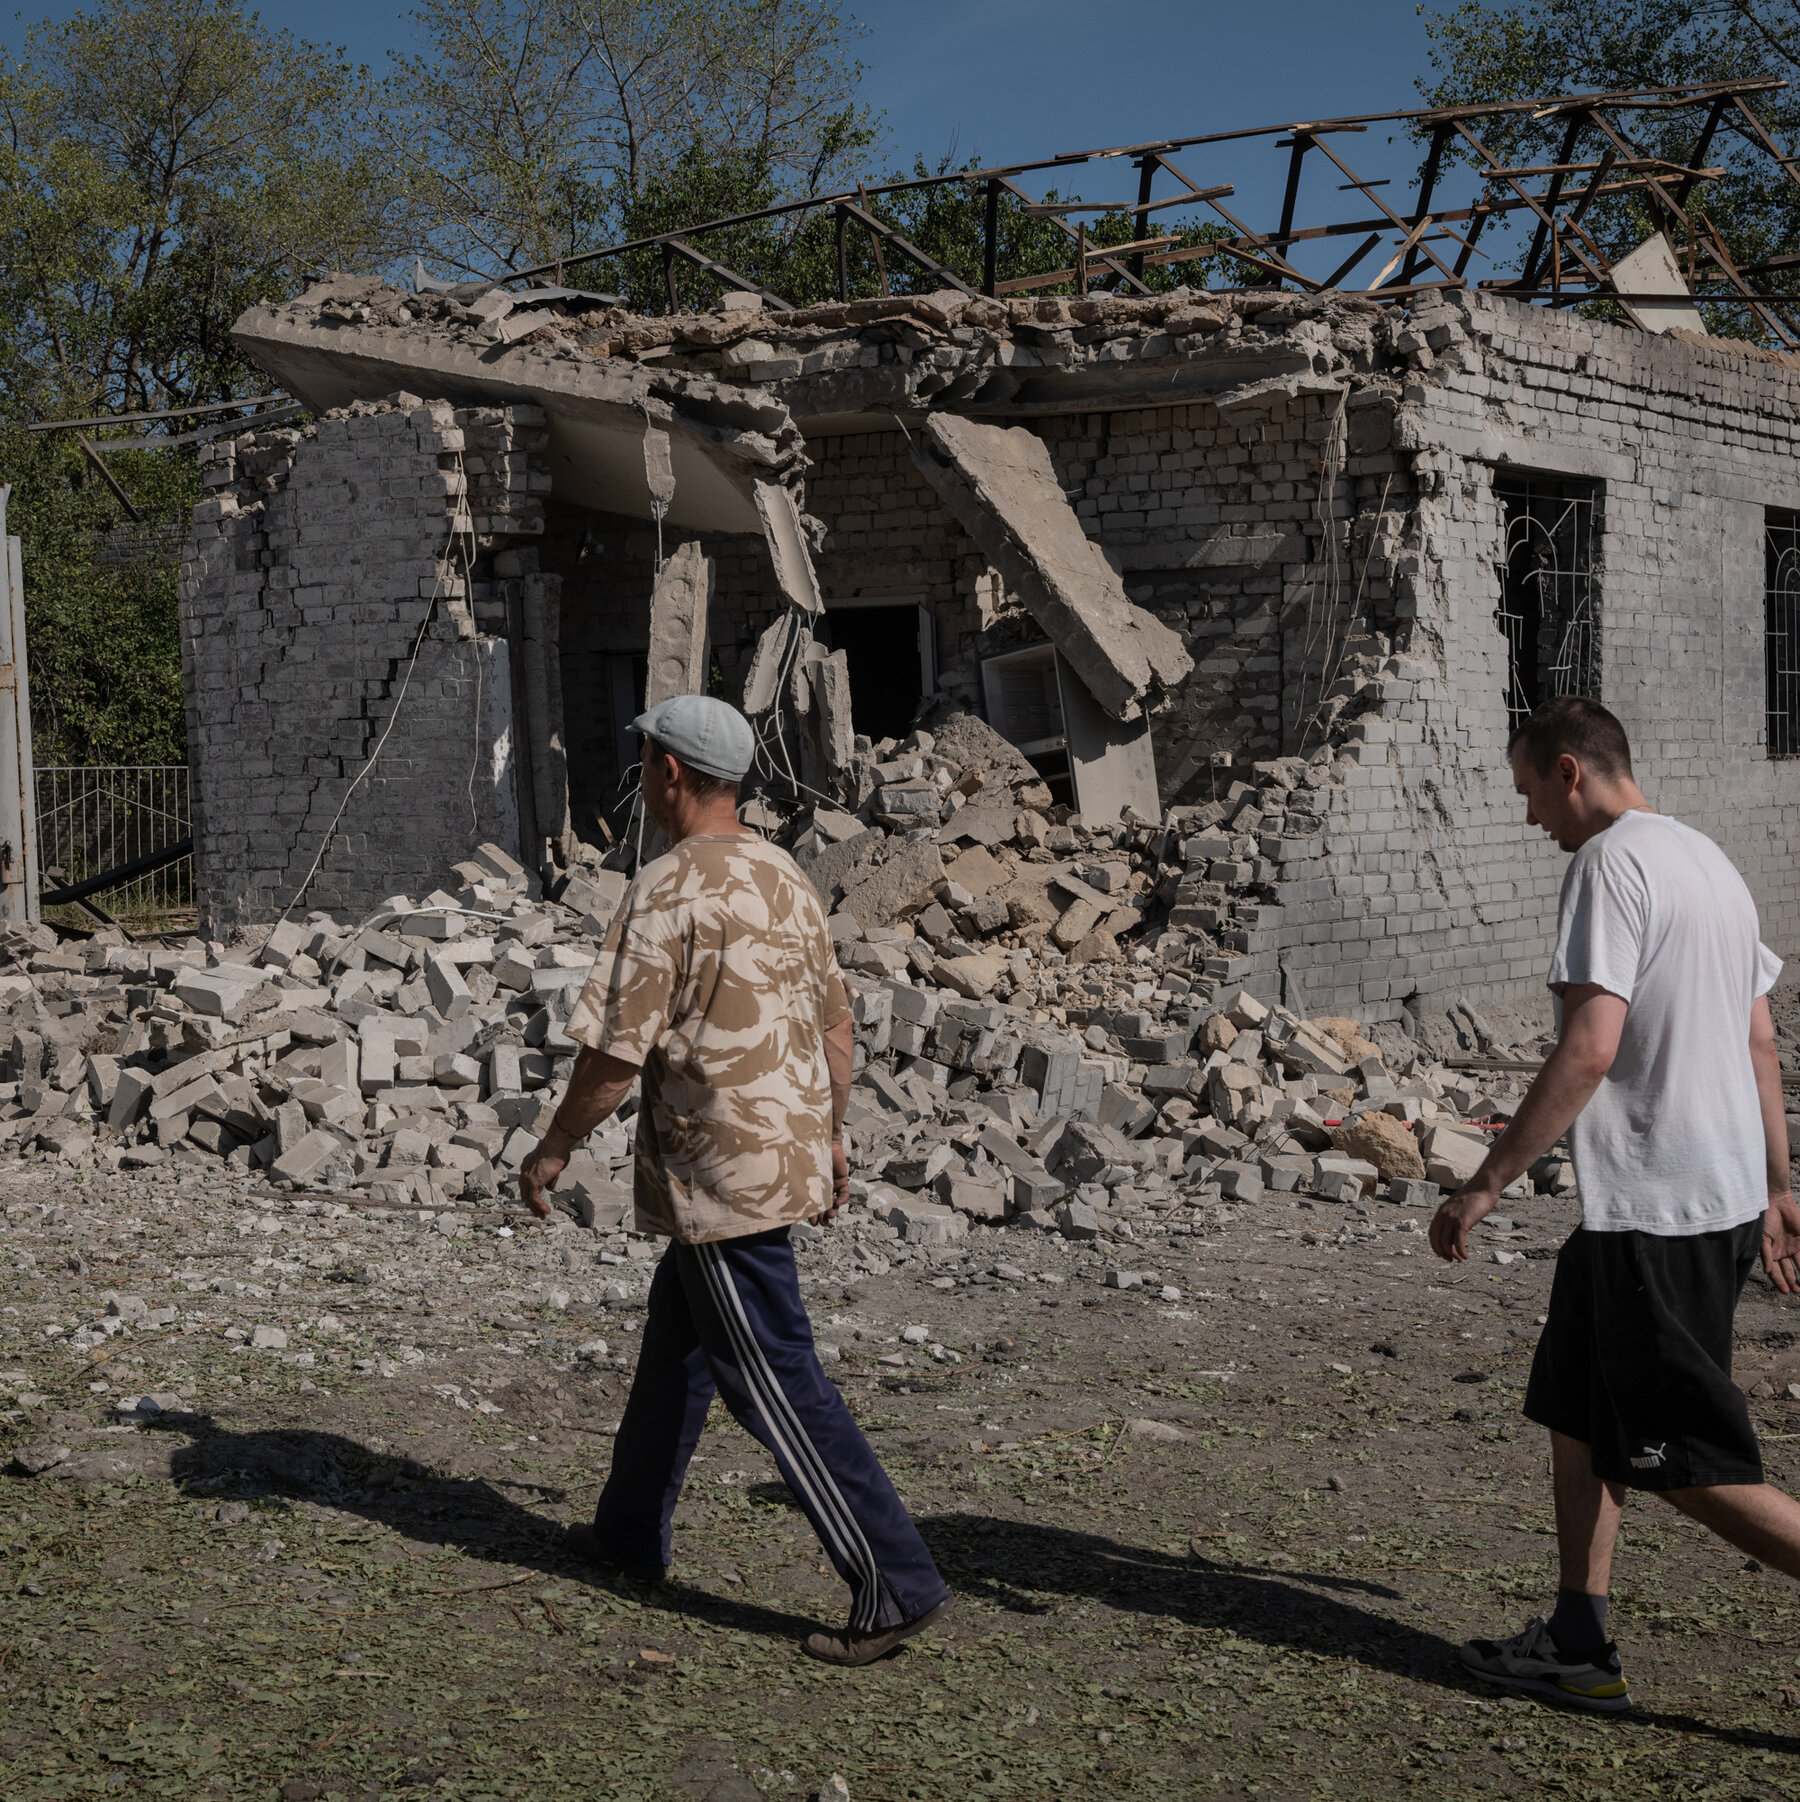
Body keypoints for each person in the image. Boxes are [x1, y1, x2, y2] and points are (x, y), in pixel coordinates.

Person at [517, 693, 951, 1667]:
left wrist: (550, 1148)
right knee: (679, 1347)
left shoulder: (667, 889)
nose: (641, 779)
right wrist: (830, 1136)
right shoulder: (784, 874)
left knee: (769, 1375)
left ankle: (898, 1580)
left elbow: (615, 1059)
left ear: (670, 771)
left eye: (643, 762)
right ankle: (629, 1533)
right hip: (780, 1156)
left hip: (723, 1176)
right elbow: (837, 1024)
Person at [1428, 695, 1800, 1713]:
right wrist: (1774, 1183)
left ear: (1568, 771)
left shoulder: (1610, 864)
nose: (1532, 820)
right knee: (1579, 1414)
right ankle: (1580, 1639)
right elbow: (1760, 1038)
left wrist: (1487, 1179)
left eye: (1527, 794)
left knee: (1684, 1463)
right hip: (1685, 1202)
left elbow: (1592, 1044)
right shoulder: (1709, 862)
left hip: (1662, 1213)